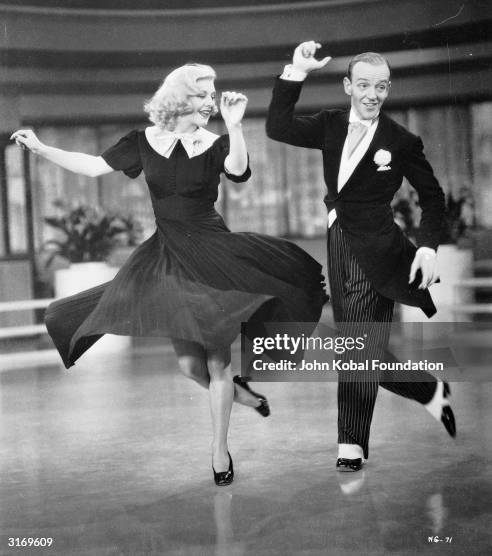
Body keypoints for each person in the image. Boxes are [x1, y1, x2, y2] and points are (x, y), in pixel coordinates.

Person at [11, 63, 327, 486]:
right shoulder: (142, 141)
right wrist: (41, 148)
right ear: (179, 98)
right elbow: (91, 167)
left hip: (214, 255)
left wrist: (235, 126)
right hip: (167, 257)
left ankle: (219, 452)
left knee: (216, 361)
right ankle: (244, 395)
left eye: (212, 94)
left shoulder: (214, 141)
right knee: (188, 366)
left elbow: (237, 170)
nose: (212, 101)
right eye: (203, 94)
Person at [266, 41, 456, 472]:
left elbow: (434, 198)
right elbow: (277, 127)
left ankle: (351, 443)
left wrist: (426, 247)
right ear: (349, 85)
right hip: (340, 242)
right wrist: (296, 72)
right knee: (358, 347)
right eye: (365, 84)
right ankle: (426, 390)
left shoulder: (401, 140)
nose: (373, 94)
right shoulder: (330, 125)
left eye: (382, 87)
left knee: (356, 346)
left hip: (383, 250)